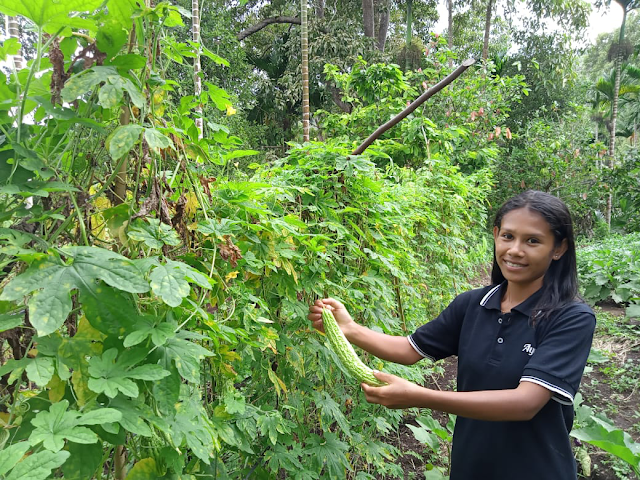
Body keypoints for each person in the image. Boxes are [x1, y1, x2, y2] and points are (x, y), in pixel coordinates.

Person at [308, 190, 596, 480]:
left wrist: (420, 396)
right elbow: (410, 350)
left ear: (558, 249)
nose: (515, 250)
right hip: (470, 467)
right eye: (508, 236)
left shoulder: (571, 318)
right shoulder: (472, 304)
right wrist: (349, 329)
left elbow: (525, 403)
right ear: (495, 235)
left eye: (533, 240)